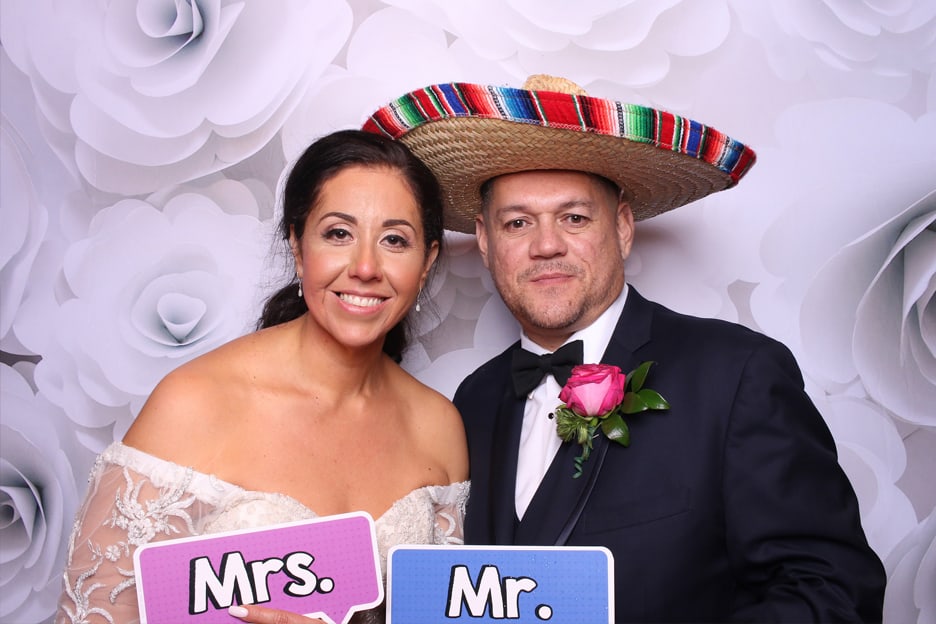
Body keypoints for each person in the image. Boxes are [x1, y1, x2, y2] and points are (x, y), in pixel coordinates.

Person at [362, 76, 886, 622]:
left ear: (623, 228)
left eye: (574, 217)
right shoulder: (472, 399)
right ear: (488, 244)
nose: (546, 245)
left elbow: (833, 591)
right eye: (518, 223)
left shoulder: (735, 374)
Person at [55, 129, 469, 624]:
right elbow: (93, 614)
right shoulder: (195, 403)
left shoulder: (438, 426)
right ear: (297, 245)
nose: (365, 266)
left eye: (394, 240)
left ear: (427, 263)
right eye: (338, 233)